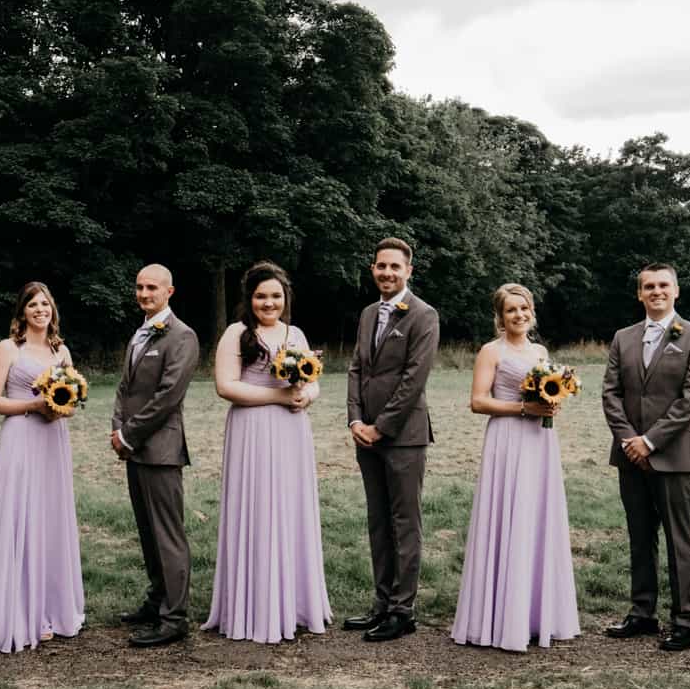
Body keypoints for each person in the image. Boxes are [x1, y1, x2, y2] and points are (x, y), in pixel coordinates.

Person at [202, 262, 332, 643]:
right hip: (252, 432)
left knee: (290, 509)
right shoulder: (237, 334)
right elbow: (226, 387)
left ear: (285, 297)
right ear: (250, 298)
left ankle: (293, 602)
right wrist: (279, 395)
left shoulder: (296, 334)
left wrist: (306, 395)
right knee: (256, 508)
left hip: (291, 432)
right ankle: (253, 604)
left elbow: (315, 382)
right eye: (261, 296)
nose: (269, 302)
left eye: (275, 295)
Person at [451, 284, 580, 652]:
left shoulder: (540, 351)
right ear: (500, 316)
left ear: (532, 311)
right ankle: (498, 616)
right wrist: (526, 409)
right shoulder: (491, 351)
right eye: (511, 310)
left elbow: (547, 391)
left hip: (539, 442)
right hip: (507, 440)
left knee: (536, 518)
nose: (519, 315)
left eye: (524, 309)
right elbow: (478, 401)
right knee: (507, 515)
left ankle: (535, 613)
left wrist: (552, 403)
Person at [0, 282, 86, 653]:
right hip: (20, 436)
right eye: (32, 305)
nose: (40, 310)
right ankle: (14, 608)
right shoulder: (8, 348)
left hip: (53, 440)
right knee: (20, 514)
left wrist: (61, 407)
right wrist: (33, 407)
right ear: (22, 313)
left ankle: (50, 606)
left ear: (53, 310)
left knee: (49, 516)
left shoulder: (60, 350)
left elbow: (70, 395)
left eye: (45, 304)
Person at [601, 263, 690, 652]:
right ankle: (642, 612)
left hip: (675, 455)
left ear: (676, 291)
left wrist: (650, 441)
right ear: (639, 294)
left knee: (680, 538)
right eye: (648, 286)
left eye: (663, 285)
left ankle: (686, 620)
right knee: (639, 535)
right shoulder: (622, 338)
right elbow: (611, 393)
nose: (656, 291)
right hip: (629, 454)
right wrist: (630, 440)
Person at [345, 237, 440, 642]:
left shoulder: (423, 315)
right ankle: (381, 603)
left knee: (404, 522)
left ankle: (404, 610)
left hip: (403, 436)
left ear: (408, 271)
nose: (387, 273)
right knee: (378, 520)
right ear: (373, 269)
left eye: (394, 267)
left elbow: (413, 379)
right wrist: (354, 420)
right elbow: (355, 369)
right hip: (364, 435)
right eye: (381, 266)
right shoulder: (368, 313)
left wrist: (380, 426)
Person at [111, 263, 200, 648]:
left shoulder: (181, 336)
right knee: (147, 532)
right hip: (134, 448)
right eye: (139, 287)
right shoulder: (140, 333)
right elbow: (125, 388)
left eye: (152, 288)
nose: (144, 294)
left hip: (161, 449)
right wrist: (118, 428)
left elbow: (167, 397)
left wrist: (128, 434)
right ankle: (156, 600)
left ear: (169, 292)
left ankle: (175, 617)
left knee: (167, 535)